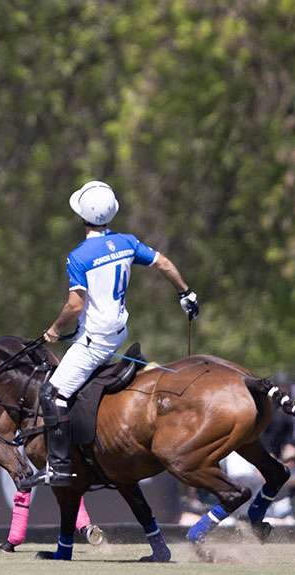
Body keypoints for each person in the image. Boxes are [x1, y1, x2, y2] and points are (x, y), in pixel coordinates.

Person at [22, 180, 199, 488]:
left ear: (82, 216)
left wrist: (54, 329)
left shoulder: (78, 256)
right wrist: (185, 293)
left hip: (96, 341)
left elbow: (75, 305)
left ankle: (59, 467)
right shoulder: (127, 242)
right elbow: (164, 263)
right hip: (119, 332)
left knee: (51, 394)